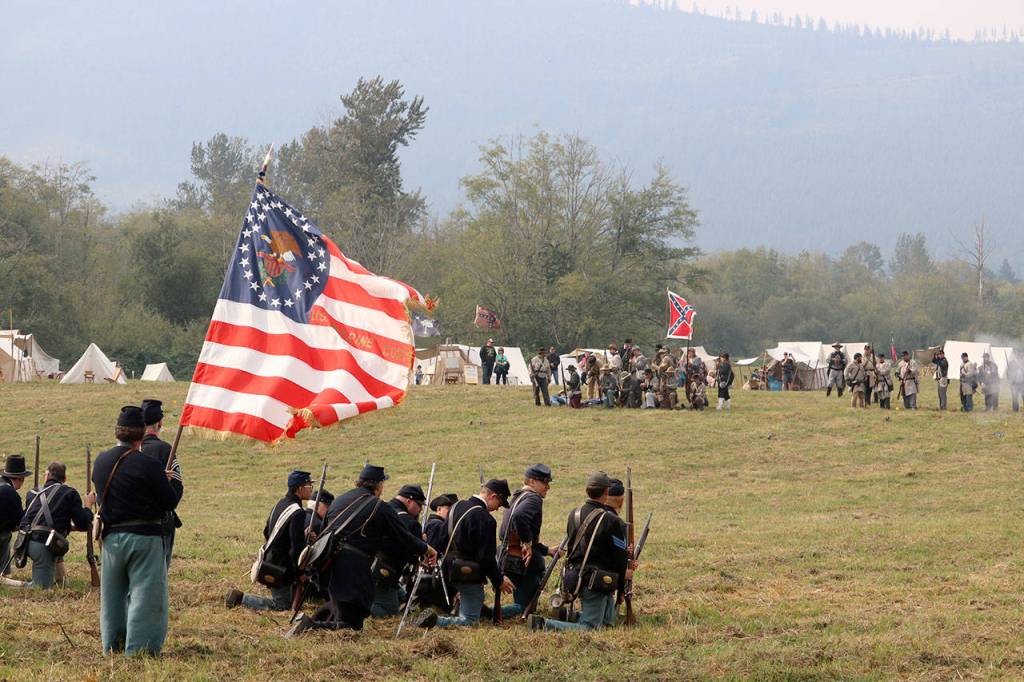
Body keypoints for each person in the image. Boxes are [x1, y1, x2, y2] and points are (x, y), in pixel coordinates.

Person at [289, 464, 436, 635]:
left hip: (330, 564)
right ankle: (310, 627)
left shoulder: (340, 500)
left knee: (341, 609)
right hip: (353, 567)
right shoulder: (378, 506)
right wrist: (427, 549)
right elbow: (403, 537)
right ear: (379, 485)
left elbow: (324, 531)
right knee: (352, 625)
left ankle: (314, 623)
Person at [93, 405, 181, 657]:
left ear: (117, 433)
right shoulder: (149, 465)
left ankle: (113, 645)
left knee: (112, 597)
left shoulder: (101, 461)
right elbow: (169, 502)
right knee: (145, 597)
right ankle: (140, 650)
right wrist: (165, 482)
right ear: (141, 434)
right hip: (144, 538)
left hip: (111, 539)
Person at [529, 472, 628, 632]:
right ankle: (542, 624)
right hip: (596, 580)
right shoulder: (611, 520)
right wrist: (622, 588)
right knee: (591, 628)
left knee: (606, 624)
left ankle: (567, 616)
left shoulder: (574, 513)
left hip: (574, 576)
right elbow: (620, 558)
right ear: (606, 492)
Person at [415, 479, 515, 629]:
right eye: (499, 503)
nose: (498, 509)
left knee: (475, 608)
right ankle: (435, 621)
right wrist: (498, 581)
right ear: (493, 496)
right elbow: (486, 558)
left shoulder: (456, 506)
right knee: (470, 621)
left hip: (448, 569)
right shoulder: (485, 519)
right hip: (468, 572)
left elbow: (442, 536)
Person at [226, 470, 312, 612]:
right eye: (309, 484)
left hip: (272, 559)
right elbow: (296, 548)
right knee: (282, 605)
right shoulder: (297, 512)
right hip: (281, 566)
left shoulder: (281, 503)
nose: (311, 488)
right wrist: (299, 573)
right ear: (300, 488)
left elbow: (267, 531)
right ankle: (241, 599)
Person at [20, 461, 94, 589]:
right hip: (44, 545)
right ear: (64, 479)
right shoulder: (69, 493)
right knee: (41, 588)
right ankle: (7, 584)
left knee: (56, 544)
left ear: (47, 475)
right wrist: (88, 506)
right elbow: (82, 523)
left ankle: (61, 581)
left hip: (25, 542)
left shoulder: (32, 492)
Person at [497, 464, 557, 618]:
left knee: (527, 605)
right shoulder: (534, 498)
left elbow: (516, 533)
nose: (548, 487)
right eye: (544, 482)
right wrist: (528, 544)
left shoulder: (518, 496)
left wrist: (547, 550)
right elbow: (519, 517)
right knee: (525, 609)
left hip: (510, 556)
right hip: (522, 561)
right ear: (531, 482)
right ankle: (487, 613)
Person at [370, 484, 427, 617]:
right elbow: (415, 553)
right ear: (409, 501)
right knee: (388, 612)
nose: (420, 509)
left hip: (367, 564)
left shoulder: (381, 509)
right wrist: (422, 543)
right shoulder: (410, 522)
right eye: (419, 505)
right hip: (384, 571)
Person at [139, 399, 183, 569]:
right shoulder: (165, 450)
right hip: (160, 524)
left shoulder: (130, 449)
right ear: (160, 423)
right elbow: (176, 491)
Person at [0, 454, 30, 576]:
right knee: (4, 536)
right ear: (19, 479)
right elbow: (20, 522)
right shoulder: (10, 493)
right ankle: (4, 576)